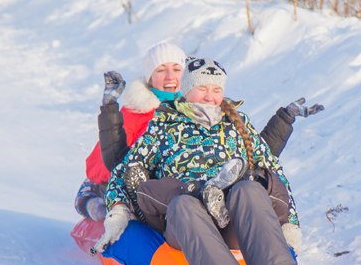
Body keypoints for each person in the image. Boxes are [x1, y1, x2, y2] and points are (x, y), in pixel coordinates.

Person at [95, 58, 312, 265]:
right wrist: (117, 214)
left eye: (216, 90)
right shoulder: (164, 126)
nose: (210, 96)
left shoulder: (237, 124)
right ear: (187, 90)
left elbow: (275, 171)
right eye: (202, 89)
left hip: (232, 220)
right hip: (185, 222)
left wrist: (290, 226)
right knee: (184, 203)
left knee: (250, 188)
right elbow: (123, 170)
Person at [74, 41, 322, 224]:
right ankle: (93, 204)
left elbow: (250, 150)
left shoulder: (211, 108)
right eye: (161, 70)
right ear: (150, 77)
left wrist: (284, 120)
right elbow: (112, 162)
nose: (170, 77)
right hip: (155, 191)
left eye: (177, 69)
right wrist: (110, 110)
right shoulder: (140, 113)